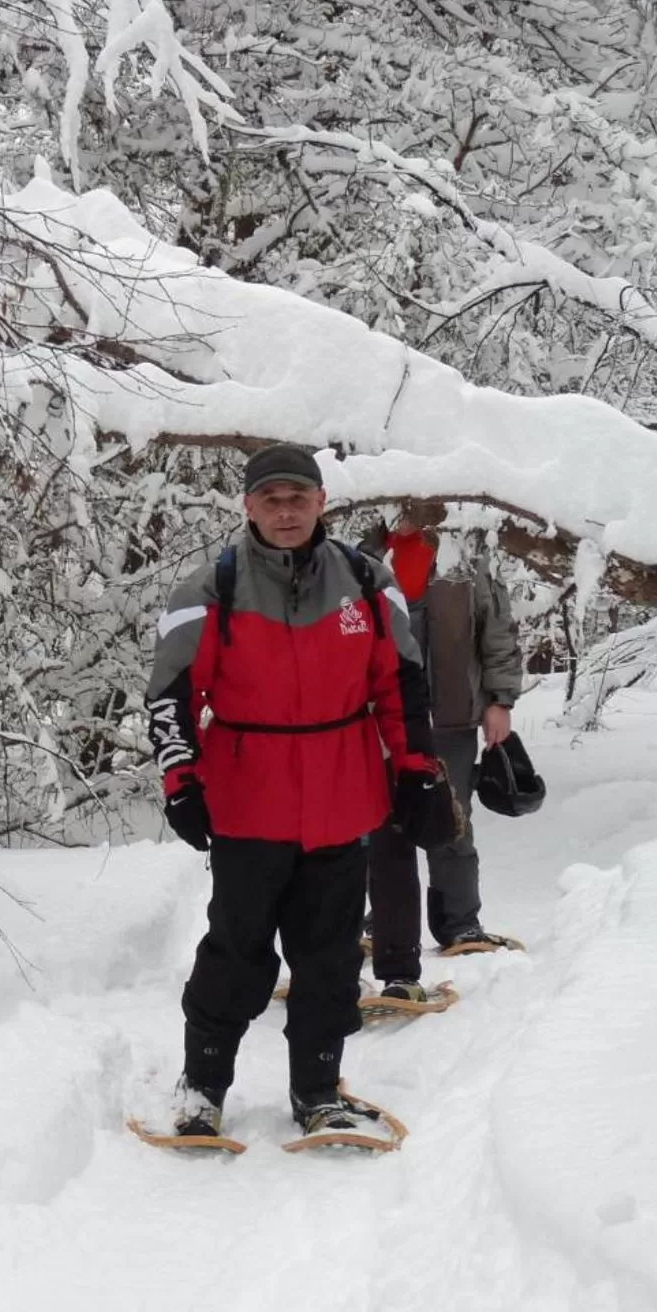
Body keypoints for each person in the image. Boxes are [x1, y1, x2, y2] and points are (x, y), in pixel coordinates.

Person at [144, 443, 442, 1143]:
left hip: (344, 798)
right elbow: (170, 695)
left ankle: (316, 1090)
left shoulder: (369, 583)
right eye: (271, 499)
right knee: (236, 953)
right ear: (248, 506)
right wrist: (181, 779)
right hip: (248, 800)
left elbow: (402, 686)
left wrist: (418, 768)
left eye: (298, 497)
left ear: (321, 503)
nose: (285, 510)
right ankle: (203, 1087)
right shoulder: (209, 588)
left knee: (330, 956)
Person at [361, 502, 525, 997]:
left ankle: (460, 924)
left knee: (451, 820)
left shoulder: (462, 558)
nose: (406, 513)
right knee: (375, 826)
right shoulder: (365, 557)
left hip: (450, 714)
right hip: (377, 718)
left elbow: (498, 632)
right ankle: (378, 924)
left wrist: (499, 700)